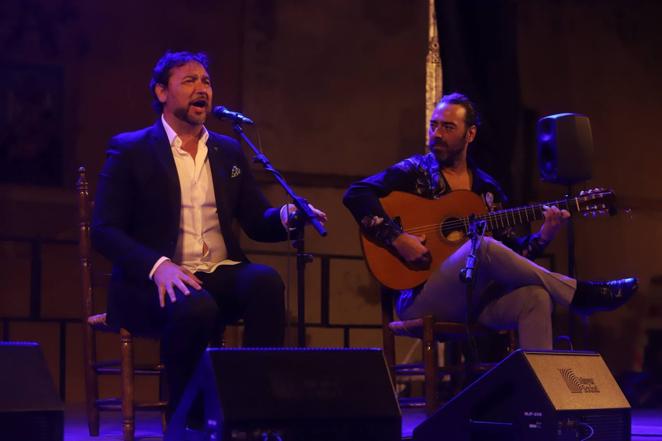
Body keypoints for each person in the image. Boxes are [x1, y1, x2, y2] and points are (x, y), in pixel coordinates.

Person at [91, 51, 326, 419]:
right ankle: (189, 420)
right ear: (161, 92)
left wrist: (286, 215)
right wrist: (159, 266)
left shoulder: (228, 150)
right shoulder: (130, 149)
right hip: (154, 283)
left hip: (218, 272)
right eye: (189, 81)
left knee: (265, 282)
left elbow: (255, 221)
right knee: (196, 306)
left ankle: (251, 407)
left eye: (206, 81)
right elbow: (104, 230)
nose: (202, 88)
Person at [343, 92, 636, 350]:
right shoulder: (416, 171)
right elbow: (356, 194)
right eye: (434, 125)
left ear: (470, 134)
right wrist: (397, 238)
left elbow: (511, 256)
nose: (437, 134)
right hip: (421, 297)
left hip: (475, 302)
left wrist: (544, 236)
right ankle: (579, 294)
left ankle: (537, 403)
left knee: (536, 296)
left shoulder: (487, 190)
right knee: (481, 245)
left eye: (447, 127)